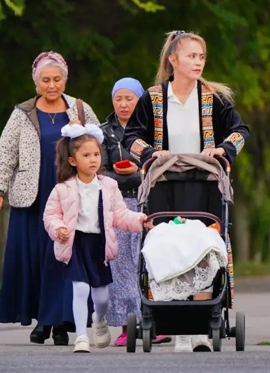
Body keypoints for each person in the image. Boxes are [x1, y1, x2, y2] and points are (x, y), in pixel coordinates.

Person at [122, 30, 251, 352]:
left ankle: (201, 328)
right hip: (164, 186)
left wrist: (223, 150)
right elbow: (131, 137)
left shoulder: (213, 98)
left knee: (204, 247)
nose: (198, 62)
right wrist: (151, 153)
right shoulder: (153, 98)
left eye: (202, 56)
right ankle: (176, 327)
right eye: (191, 56)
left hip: (205, 186)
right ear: (173, 60)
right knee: (167, 247)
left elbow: (240, 131)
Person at [0, 51, 100, 346]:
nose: (51, 85)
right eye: (45, 80)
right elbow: (5, 153)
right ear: (36, 82)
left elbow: (98, 146)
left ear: (65, 79)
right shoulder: (23, 113)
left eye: (57, 79)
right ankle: (42, 319)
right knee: (37, 258)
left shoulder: (80, 109)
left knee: (65, 256)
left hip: (71, 194)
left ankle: (61, 322)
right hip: (33, 198)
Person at [43, 123, 154, 353]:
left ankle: (99, 319)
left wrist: (140, 220)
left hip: (99, 246)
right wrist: (59, 229)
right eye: (86, 155)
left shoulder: (109, 186)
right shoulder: (63, 189)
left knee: (102, 298)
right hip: (75, 244)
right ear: (73, 160)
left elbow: (120, 215)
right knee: (80, 289)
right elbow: (51, 215)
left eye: (96, 154)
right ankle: (81, 337)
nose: (93, 159)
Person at [99, 77, 170, 347]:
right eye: (118, 99)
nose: (124, 104)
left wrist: (137, 173)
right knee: (121, 266)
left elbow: (161, 167)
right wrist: (131, 176)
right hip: (117, 205)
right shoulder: (103, 132)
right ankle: (126, 326)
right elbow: (98, 171)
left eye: (130, 99)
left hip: (150, 202)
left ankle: (157, 322)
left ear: (140, 101)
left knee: (151, 261)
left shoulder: (153, 132)